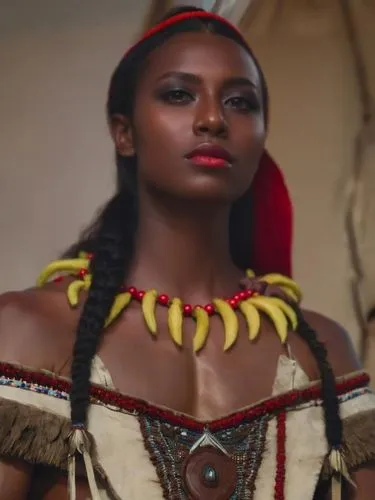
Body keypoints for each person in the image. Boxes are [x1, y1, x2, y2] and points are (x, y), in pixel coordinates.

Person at [0, 6, 374, 500]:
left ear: (263, 137)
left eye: (241, 102)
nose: (214, 118)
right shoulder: (29, 333)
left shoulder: (320, 351)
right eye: (179, 94)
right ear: (124, 132)